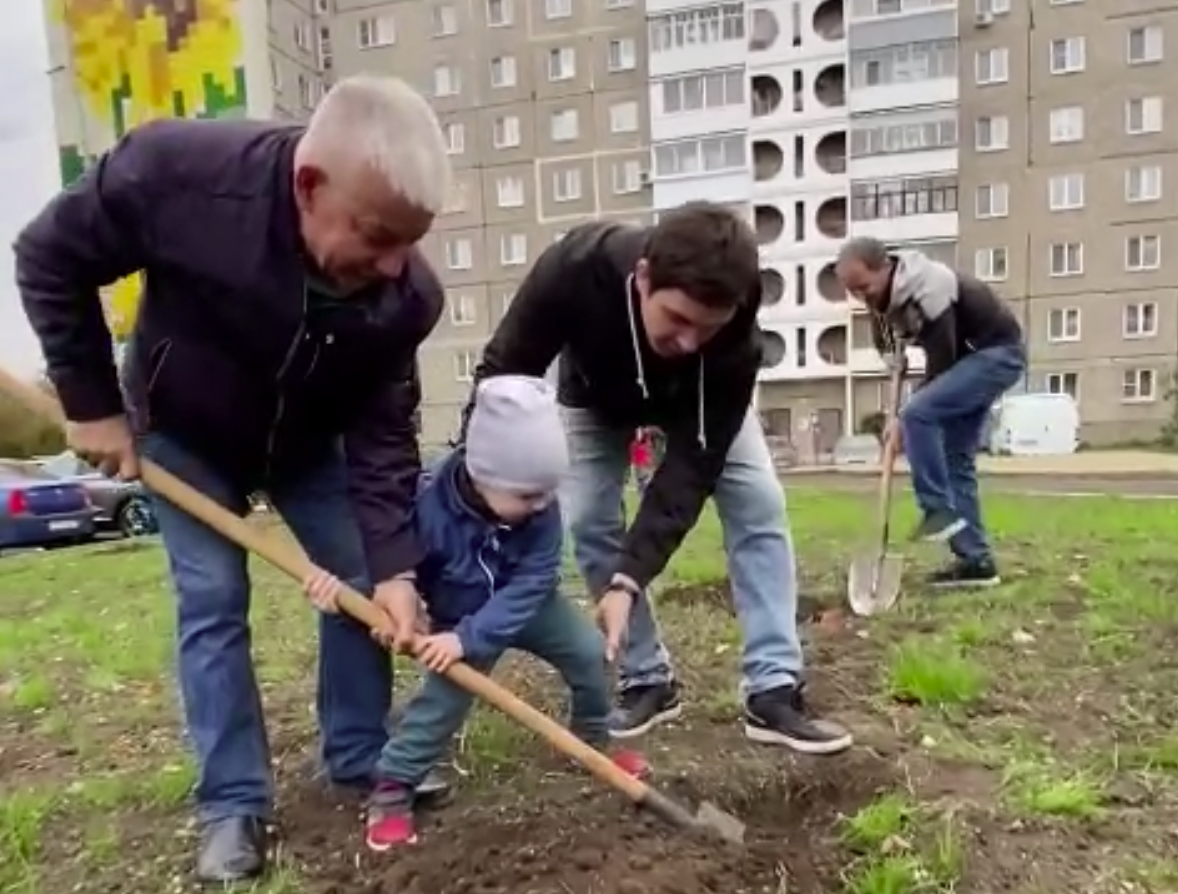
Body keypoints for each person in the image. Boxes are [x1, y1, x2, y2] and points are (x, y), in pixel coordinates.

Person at [14, 75, 453, 883]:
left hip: (307, 442)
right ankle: (233, 804)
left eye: (409, 242)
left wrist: (394, 565)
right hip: (183, 431)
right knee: (213, 599)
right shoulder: (180, 174)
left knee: (360, 576)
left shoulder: (407, 296)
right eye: (376, 234)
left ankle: (360, 758)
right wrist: (91, 401)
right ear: (309, 186)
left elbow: (384, 428)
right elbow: (50, 254)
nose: (394, 265)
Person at [459, 202, 853, 755]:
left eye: (707, 327)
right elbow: (505, 373)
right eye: (678, 320)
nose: (690, 341)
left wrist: (629, 578)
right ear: (643, 278)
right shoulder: (575, 268)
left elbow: (692, 469)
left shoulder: (735, 334)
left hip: (698, 403)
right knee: (590, 516)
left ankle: (773, 688)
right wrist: (466, 480)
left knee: (757, 502)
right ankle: (646, 677)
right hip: (595, 396)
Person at [306, 375, 649, 851]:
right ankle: (394, 785)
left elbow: (533, 581)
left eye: (548, 492)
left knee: (589, 651)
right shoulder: (423, 502)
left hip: (525, 606)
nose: (544, 504)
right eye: (528, 495)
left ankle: (593, 736)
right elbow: (388, 568)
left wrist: (473, 637)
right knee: (442, 704)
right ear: (482, 474)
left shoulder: (541, 510)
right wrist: (344, 594)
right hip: (456, 617)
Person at [835, 237, 1026, 588]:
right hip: (971, 362)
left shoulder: (931, 286)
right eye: (853, 292)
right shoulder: (883, 299)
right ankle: (976, 562)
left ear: (885, 267)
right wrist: (893, 362)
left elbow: (944, 363)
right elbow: (890, 348)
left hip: (996, 355)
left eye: (863, 287)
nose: (862, 297)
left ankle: (937, 508)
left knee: (918, 414)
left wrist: (902, 420)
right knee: (956, 460)